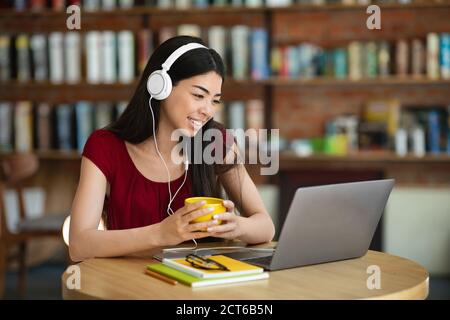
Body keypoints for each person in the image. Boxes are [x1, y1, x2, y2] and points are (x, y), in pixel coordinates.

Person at [69, 36, 275, 262]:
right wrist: (161, 233)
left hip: (200, 285)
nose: (208, 110)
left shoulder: (214, 141)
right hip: (131, 286)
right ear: (160, 86)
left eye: (214, 100)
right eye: (198, 95)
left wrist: (238, 226)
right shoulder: (105, 146)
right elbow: (79, 245)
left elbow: (265, 226)